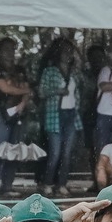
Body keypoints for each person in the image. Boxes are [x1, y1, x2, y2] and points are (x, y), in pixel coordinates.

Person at [0, 37, 34, 199]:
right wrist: (23, 93)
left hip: (20, 111)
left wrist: (22, 104)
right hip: (2, 110)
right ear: (0, 51)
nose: (10, 52)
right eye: (6, 48)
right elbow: (5, 88)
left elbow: (27, 89)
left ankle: (7, 186)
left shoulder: (20, 68)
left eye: (12, 48)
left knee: (14, 149)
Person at [36, 38, 85, 192]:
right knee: (55, 152)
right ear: (58, 53)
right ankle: (47, 183)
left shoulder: (75, 72)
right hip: (54, 115)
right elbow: (41, 92)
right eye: (64, 51)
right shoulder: (49, 71)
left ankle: (62, 184)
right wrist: (57, 91)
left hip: (71, 115)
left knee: (67, 153)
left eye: (70, 52)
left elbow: (79, 91)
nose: (68, 54)